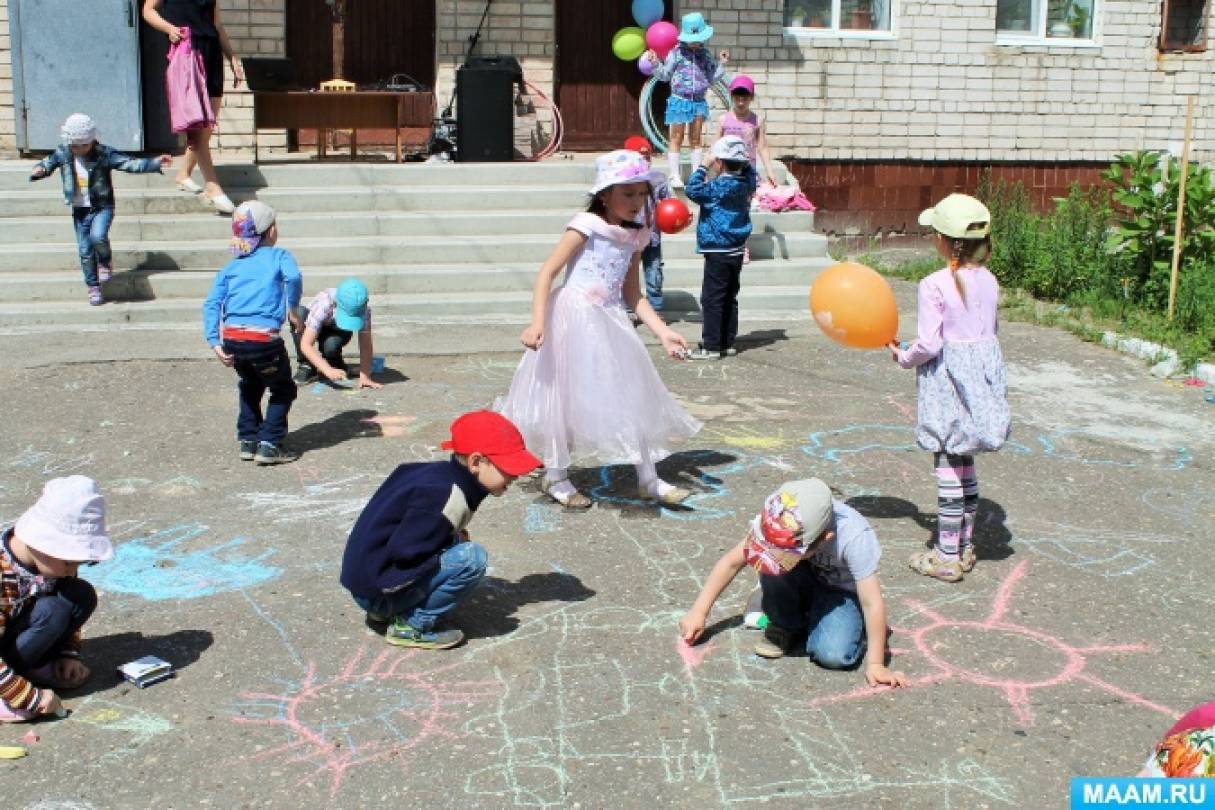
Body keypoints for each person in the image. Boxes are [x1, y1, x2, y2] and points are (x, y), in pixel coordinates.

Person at [496, 149, 701, 510]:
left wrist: (662, 331)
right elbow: (547, 273)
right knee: (563, 397)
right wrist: (538, 322)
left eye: (642, 194)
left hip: (610, 321)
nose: (637, 202)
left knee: (631, 394)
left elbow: (633, 293)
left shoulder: (637, 236)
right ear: (605, 194)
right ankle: (556, 476)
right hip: (572, 319)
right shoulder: (585, 226)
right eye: (628, 194)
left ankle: (649, 479)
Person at [340, 410, 542, 650]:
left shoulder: (435, 474)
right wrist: (451, 543)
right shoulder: (445, 496)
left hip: (367, 580)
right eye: (508, 468)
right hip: (375, 592)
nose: (515, 476)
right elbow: (406, 552)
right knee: (471, 559)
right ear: (476, 462)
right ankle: (410, 625)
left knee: (458, 544)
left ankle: (386, 609)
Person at [679, 478, 908, 688]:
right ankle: (785, 622)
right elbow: (731, 561)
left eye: (787, 553)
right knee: (770, 563)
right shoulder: (778, 517)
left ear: (824, 540)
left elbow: (872, 601)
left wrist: (876, 663)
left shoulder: (854, 537)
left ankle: (826, 618)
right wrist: (699, 611)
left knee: (833, 656)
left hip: (841, 593)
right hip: (802, 575)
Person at [887, 194, 1010, 582]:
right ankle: (963, 545)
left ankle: (945, 555)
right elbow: (985, 333)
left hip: (949, 383)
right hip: (980, 380)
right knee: (965, 461)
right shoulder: (989, 281)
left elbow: (929, 345)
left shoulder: (934, 284)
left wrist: (903, 356)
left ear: (944, 240)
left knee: (946, 465)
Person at [1, 476, 113, 724]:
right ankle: (9, 689)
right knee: (51, 609)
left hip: (10, 640)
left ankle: (34, 667)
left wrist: (67, 654)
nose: (72, 570)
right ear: (41, 542)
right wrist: (28, 697)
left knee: (77, 593)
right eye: (68, 561)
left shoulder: (50, 561)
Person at [29, 114, 171, 306]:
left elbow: (128, 163)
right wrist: (40, 170)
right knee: (85, 250)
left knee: (98, 237)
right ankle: (92, 286)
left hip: (102, 206)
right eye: (74, 145)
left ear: (92, 140)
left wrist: (154, 162)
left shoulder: (104, 154)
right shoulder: (63, 153)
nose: (78, 149)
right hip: (80, 210)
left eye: (83, 145)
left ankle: (104, 261)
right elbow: (47, 163)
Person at [202, 201, 304, 465]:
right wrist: (292, 309)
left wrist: (215, 342)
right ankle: (270, 443)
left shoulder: (231, 267)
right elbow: (293, 278)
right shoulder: (279, 255)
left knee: (250, 384)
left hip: (233, 339)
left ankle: (248, 439)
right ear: (270, 232)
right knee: (283, 389)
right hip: (263, 340)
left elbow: (212, 303)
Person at [142, 0, 244, 214]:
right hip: (188, 51)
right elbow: (148, 11)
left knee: (207, 128)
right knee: (198, 127)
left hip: (212, 53)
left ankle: (183, 174)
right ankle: (212, 187)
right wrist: (170, 28)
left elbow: (217, 24)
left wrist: (232, 57)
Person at [684, 135, 756, 360]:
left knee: (712, 298)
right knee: (729, 296)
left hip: (717, 250)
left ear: (720, 162)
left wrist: (703, 166)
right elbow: (752, 173)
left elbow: (692, 189)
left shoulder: (715, 188)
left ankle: (712, 346)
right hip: (736, 248)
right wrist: (744, 160)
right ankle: (727, 341)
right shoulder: (746, 184)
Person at [647, 12, 728, 189]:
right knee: (676, 137)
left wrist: (721, 64)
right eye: (693, 39)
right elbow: (665, 75)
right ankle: (674, 175)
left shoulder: (705, 55)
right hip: (679, 100)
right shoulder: (675, 54)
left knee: (695, 139)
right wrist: (654, 64)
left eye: (699, 39)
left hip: (698, 102)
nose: (696, 42)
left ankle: (696, 175)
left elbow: (712, 77)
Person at [293, 279, 383, 389]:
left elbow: (366, 345)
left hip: (334, 331)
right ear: (337, 304)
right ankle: (307, 365)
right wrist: (327, 369)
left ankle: (335, 363)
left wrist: (365, 376)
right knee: (299, 314)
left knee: (331, 345)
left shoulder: (364, 310)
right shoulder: (324, 304)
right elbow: (305, 344)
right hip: (312, 328)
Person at [623, 135, 671, 312]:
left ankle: (656, 309)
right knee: (627, 272)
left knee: (654, 272)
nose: (645, 161)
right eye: (640, 157)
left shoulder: (658, 178)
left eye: (647, 157)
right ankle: (628, 309)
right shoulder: (622, 180)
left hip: (652, 237)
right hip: (629, 237)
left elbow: (669, 202)